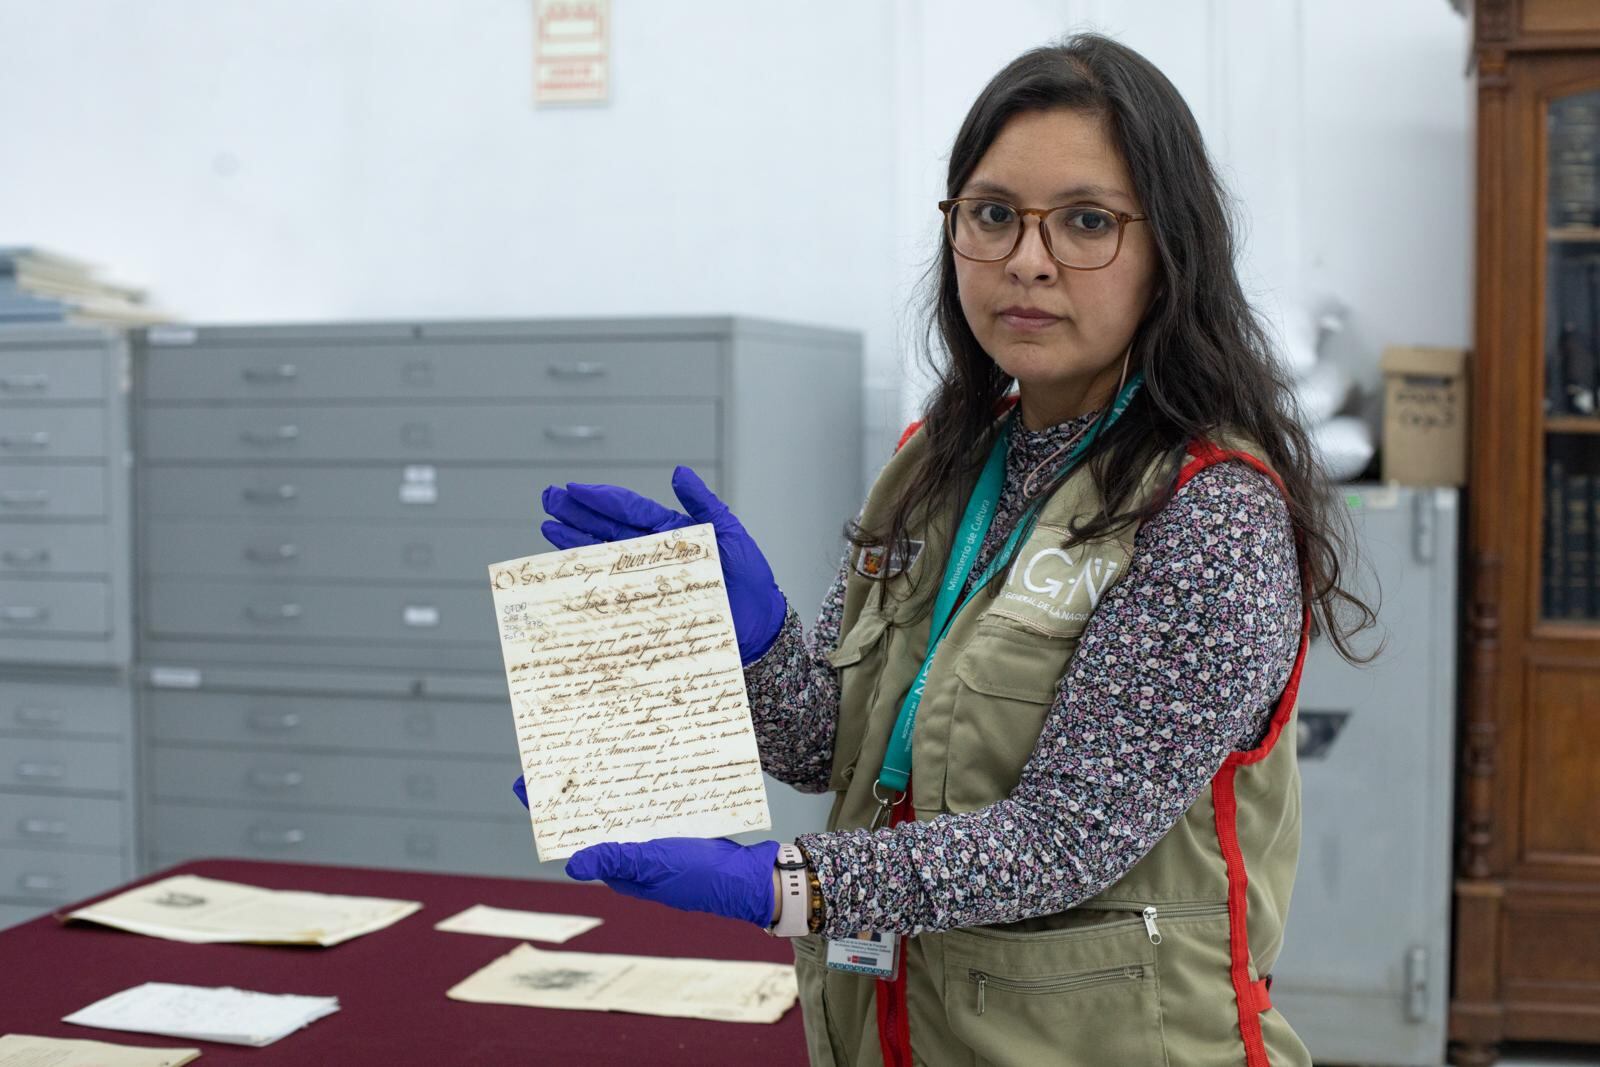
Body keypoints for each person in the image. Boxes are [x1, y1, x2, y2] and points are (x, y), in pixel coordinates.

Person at [517, 31, 1374, 1067]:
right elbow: (831, 746)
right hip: (904, 1033)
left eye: (1087, 222)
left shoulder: (1208, 514)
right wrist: (741, 642)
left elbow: (1063, 837)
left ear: (1170, 254)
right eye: (993, 214)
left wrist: (783, 883)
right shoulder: (938, 463)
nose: (1027, 258)